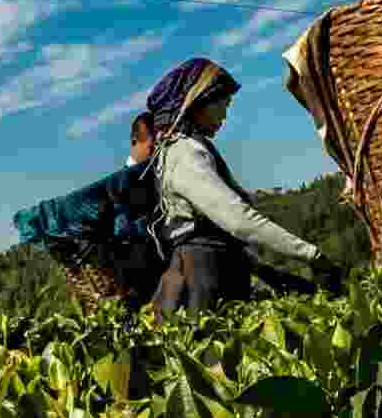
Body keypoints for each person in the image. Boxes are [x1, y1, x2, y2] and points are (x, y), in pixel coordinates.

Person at [144, 58, 340, 311]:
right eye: (222, 105)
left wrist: (264, 269)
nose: (225, 115)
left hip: (214, 268)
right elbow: (238, 220)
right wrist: (311, 254)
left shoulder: (188, 148)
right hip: (201, 278)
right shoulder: (184, 152)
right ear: (198, 103)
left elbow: (221, 229)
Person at [14, 113, 166, 307]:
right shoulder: (117, 187)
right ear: (135, 141)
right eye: (153, 147)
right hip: (122, 283)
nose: (156, 155)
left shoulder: (154, 177)